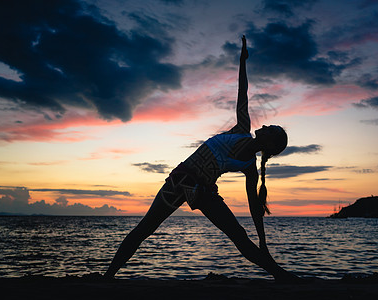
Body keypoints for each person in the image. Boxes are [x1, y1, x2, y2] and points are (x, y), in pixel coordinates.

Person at [104, 36, 298, 282]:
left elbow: (254, 209)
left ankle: (281, 276)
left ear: (270, 144)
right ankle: (108, 275)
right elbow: (243, 90)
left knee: (239, 235)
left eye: (272, 129)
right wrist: (242, 61)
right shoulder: (241, 127)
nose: (267, 125)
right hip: (180, 181)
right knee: (145, 228)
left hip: (203, 191)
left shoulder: (250, 168)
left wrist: (263, 242)